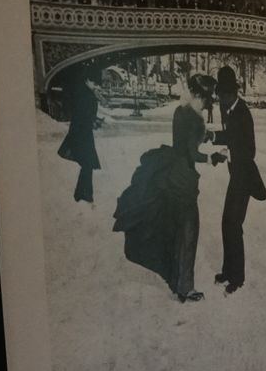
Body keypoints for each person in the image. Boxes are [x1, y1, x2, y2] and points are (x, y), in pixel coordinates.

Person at [112, 73, 212, 302]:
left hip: (171, 173)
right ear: (199, 96)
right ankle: (185, 288)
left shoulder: (180, 111)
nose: (208, 103)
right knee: (189, 230)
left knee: (174, 227)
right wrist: (211, 158)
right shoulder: (196, 120)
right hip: (184, 179)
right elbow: (191, 152)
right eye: (207, 98)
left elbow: (183, 141)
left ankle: (178, 281)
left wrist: (206, 137)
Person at [213, 65, 266, 295]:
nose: (219, 99)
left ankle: (237, 277)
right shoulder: (230, 110)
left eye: (222, 95)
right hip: (236, 175)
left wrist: (230, 154)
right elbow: (231, 137)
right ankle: (228, 271)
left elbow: (249, 150)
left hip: (243, 176)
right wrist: (213, 136)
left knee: (233, 225)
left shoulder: (242, 113)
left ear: (231, 93)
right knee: (227, 223)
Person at [56, 67, 101, 203]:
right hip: (82, 133)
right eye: (94, 83)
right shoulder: (87, 95)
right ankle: (83, 194)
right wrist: (93, 121)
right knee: (88, 163)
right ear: (87, 80)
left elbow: (78, 112)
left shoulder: (82, 92)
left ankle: (83, 193)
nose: (96, 86)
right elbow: (85, 115)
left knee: (87, 163)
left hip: (79, 131)